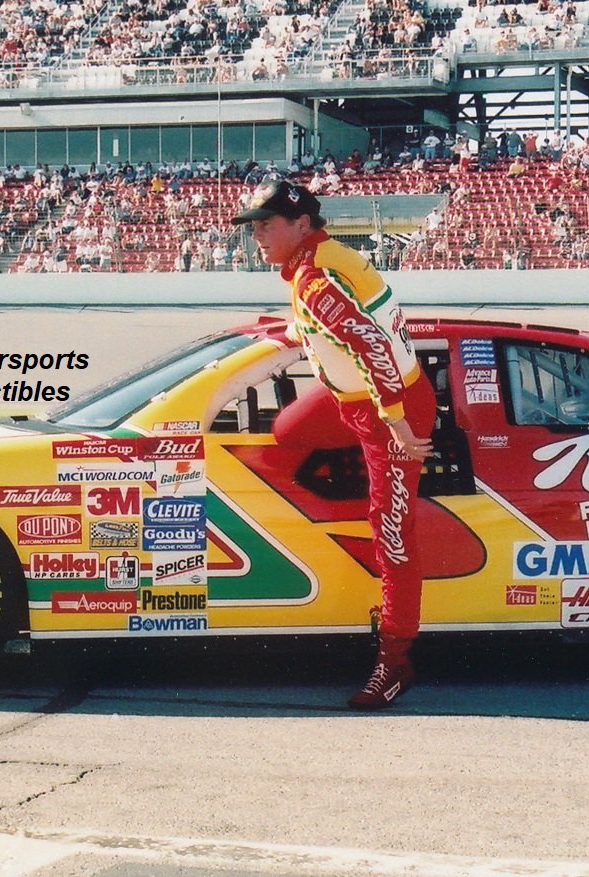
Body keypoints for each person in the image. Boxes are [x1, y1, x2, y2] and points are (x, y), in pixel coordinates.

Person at [232, 181, 436, 710]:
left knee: (391, 530)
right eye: (253, 226)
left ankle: (396, 660)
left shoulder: (316, 279)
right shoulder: (317, 259)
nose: (256, 236)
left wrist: (395, 423)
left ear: (302, 225)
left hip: (388, 409)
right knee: (288, 432)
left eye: (265, 225)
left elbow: (369, 345)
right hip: (357, 399)